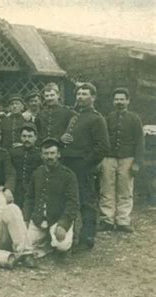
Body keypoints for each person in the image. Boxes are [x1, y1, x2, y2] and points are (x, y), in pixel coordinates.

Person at [61, 82, 110, 251]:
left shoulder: (97, 118)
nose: (80, 97)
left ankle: (87, 238)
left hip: (83, 167)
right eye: (78, 94)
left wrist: (85, 163)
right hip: (68, 164)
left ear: (93, 97)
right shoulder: (75, 117)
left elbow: (103, 147)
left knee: (86, 201)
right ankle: (67, 238)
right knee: (69, 200)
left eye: (84, 94)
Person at [24, 138, 79, 258]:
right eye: (46, 153)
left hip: (57, 219)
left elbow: (73, 203)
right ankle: (46, 241)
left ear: (58, 154)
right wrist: (26, 219)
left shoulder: (68, 175)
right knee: (23, 246)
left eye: (52, 153)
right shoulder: (37, 173)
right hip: (39, 219)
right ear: (41, 155)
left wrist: (63, 224)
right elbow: (30, 198)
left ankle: (64, 236)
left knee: (62, 246)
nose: (49, 157)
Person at [99, 88, 144, 233]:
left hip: (127, 159)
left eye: (122, 99)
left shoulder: (134, 119)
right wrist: (101, 159)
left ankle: (123, 220)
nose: (119, 102)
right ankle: (107, 219)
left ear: (128, 100)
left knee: (125, 189)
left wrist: (137, 162)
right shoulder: (108, 118)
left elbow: (139, 142)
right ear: (113, 101)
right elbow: (102, 140)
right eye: (116, 99)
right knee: (106, 188)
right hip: (109, 158)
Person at [10, 123, 42, 208]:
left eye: (30, 136)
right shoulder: (14, 152)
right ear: (20, 137)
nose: (26, 139)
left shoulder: (40, 154)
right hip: (16, 189)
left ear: (35, 137)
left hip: (34, 189)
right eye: (24, 136)